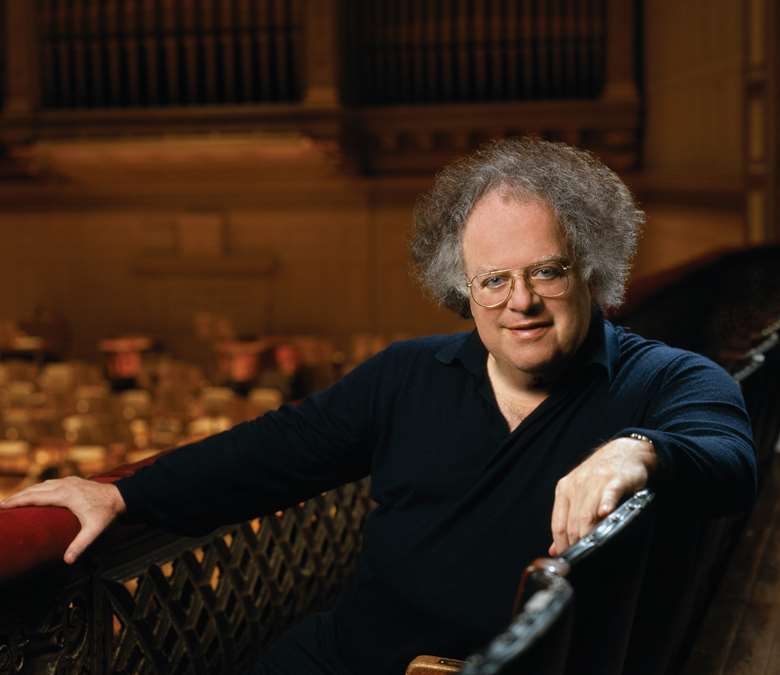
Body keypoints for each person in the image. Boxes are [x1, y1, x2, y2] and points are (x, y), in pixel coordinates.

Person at [0, 138, 756, 675]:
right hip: (353, 654)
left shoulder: (661, 379)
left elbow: (731, 461)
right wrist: (122, 490)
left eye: (547, 273)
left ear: (591, 269)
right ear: (464, 285)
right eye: (493, 280)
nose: (519, 301)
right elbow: (275, 449)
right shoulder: (407, 373)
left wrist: (636, 449)